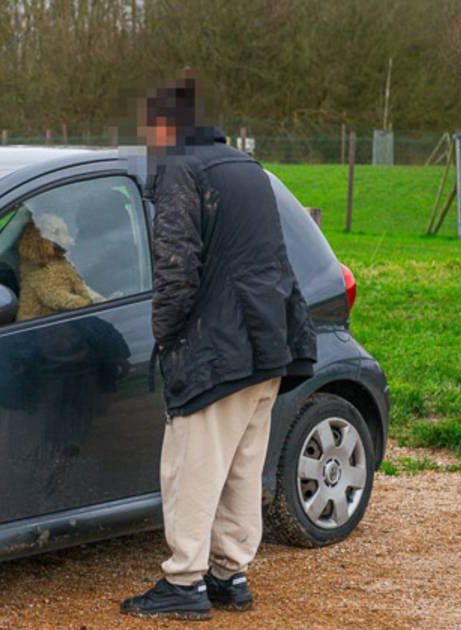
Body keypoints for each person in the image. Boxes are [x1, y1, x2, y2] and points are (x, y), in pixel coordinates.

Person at [120, 78, 317, 620]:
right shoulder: (244, 167)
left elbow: (176, 269)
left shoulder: (181, 169)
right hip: (268, 341)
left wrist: (164, 336)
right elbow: (270, 256)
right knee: (240, 468)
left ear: (166, 125)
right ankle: (229, 575)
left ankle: (184, 582)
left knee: (191, 466)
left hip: (218, 347)